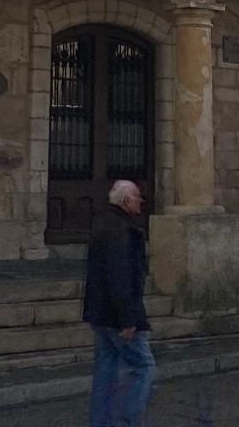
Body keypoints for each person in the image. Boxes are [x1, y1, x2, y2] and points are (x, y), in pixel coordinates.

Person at [82, 179, 155, 427]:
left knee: (106, 368)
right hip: (116, 314)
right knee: (144, 366)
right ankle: (128, 420)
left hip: (100, 312)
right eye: (137, 197)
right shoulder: (121, 231)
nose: (141, 201)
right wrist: (127, 319)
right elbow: (120, 275)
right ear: (126, 201)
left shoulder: (104, 224)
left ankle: (101, 422)